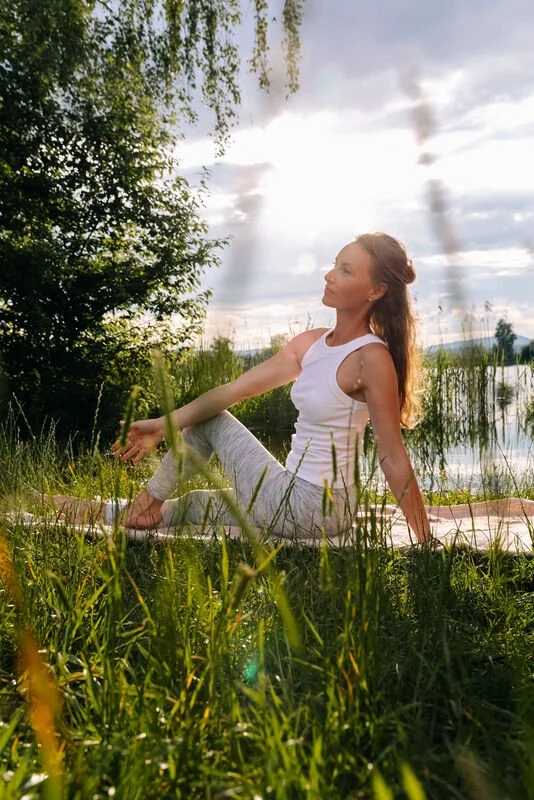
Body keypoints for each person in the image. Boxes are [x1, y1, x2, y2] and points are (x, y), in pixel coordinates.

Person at [113, 233, 432, 544]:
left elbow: (392, 455)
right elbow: (238, 389)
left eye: (345, 270)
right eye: (335, 265)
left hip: (312, 507)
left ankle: (147, 502)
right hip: (290, 495)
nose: (329, 275)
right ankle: (143, 512)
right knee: (196, 504)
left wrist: (425, 539)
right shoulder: (311, 343)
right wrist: (162, 425)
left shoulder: (371, 358)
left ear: (375, 290)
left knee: (211, 420)